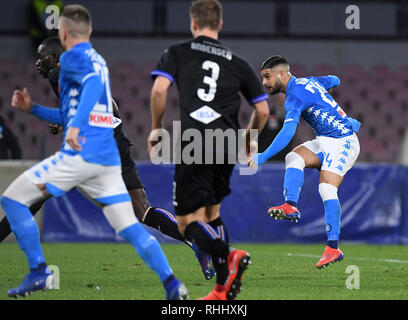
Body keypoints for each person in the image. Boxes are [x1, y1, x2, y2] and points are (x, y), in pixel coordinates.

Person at [1, 4, 188, 300]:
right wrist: (35, 110)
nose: (37, 64)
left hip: (81, 155)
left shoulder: (67, 63)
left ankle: (38, 272)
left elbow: (86, 94)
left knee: (13, 199)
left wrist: (73, 127)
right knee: (130, 223)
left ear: (64, 34)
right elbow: (99, 108)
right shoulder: (97, 61)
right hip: (107, 161)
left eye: (41, 58)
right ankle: (173, 285)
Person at [149, 0, 270, 300]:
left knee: (187, 222)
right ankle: (221, 288)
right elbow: (264, 110)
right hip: (227, 142)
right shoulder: (238, 62)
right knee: (212, 214)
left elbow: (159, 90)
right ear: (220, 25)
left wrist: (156, 127)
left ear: (193, 24)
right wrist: (247, 139)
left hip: (195, 140)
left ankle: (228, 256)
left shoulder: (177, 52)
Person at [248, 55, 361, 269]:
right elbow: (335, 79)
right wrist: (339, 114)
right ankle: (290, 205)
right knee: (294, 157)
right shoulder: (310, 82)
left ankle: (333, 248)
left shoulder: (294, 96)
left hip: (344, 142)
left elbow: (288, 131)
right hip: (326, 140)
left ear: (282, 74)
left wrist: (262, 156)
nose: (264, 83)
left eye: (267, 77)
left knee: (327, 189)